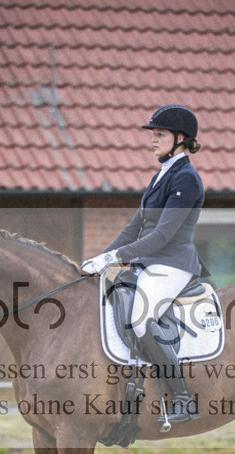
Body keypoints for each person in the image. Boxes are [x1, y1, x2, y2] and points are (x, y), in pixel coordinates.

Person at [81, 104, 205, 425]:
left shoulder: (187, 178)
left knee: (139, 319)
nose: (153, 140)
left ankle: (182, 399)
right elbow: (134, 228)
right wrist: (101, 258)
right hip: (149, 262)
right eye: (153, 135)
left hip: (173, 263)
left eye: (159, 135)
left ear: (180, 138)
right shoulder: (160, 175)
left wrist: (116, 258)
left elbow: (163, 235)